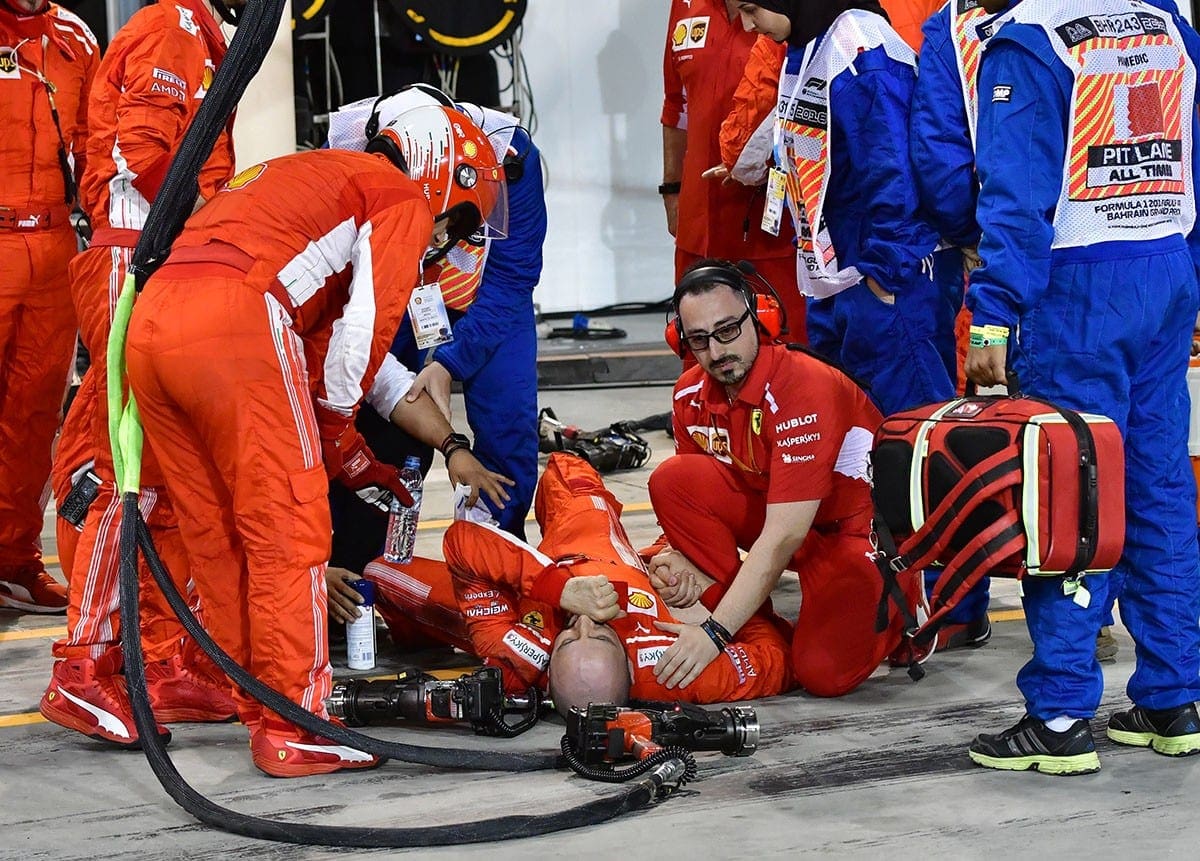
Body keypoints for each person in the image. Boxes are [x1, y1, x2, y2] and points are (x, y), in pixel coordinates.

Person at [115, 107, 506, 778]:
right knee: (289, 530)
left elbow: (327, 341)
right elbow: (361, 338)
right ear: (445, 178)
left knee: (217, 533)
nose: (444, 239)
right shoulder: (399, 197)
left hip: (151, 325)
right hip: (235, 321)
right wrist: (331, 432)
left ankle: (249, 693)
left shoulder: (306, 176)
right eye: (458, 220)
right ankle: (297, 720)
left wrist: (352, 453)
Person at [964, 0, 1200, 774]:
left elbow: (1015, 196)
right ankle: (1173, 697)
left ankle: (1062, 714)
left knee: (1068, 492)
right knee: (1160, 489)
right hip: (1166, 269)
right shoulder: (1163, 20)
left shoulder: (1031, 40)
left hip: (1076, 292)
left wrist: (991, 321)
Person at [41, 0, 244, 750]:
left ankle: (159, 660)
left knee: (165, 471)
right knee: (122, 464)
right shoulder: (171, 27)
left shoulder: (202, 33)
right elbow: (148, 149)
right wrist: (231, 223)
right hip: (138, 253)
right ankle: (84, 665)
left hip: (161, 256)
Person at [643, 261, 925, 697]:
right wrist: (677, 558)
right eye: (699, 340)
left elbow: (782, 535)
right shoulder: (688, 395)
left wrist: (714, 632)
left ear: (760, 317)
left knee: (822, 675)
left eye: (728, 330)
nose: (717, 352)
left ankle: (907, 593)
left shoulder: (804, 385)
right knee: (673, 481)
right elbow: (697, 497)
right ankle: (763, 634)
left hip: (852, 535)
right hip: (788, 522)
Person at [361, 453, 793, 712]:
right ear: (629, 664)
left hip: (529, 590)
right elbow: (777, 655)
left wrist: (559, 589)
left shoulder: (519, 663)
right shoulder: (671, 673)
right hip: (607, 551)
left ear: (546, 677)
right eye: (602, 639)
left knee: (380, 572)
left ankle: (409, 632)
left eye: (569, 640)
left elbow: (463, 542)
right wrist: (712, 601)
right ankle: (657, 554)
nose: (584, 622)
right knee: (567, 466)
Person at [325, 84, 545, 546]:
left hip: (489, 297)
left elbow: (513, 279)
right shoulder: (347, 159)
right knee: (379, 428)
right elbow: (350, 318)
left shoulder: (511, 156)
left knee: (507, 432)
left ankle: (494, 569)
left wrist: (450, 361)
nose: (446, 238)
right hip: (397, 286)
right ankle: (364, 569)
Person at [729, 1, 954, 417]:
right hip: (835, 282)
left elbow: (893, 168)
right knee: (857, 441)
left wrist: (884, 276)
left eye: (750, 9)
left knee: (913, 437)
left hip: (885, 280)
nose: (748, 25)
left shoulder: (860, 45)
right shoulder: (807, 45)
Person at [0, 0, 97, 613]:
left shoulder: (76, 39)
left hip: (57, 243)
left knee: (35, 418)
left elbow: (97, 148)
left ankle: (13, 562)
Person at [662, 0, 806, 341]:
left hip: (774, 234)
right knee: (699, 357)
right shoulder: (684, 7)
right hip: (699, 230)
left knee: (784, 360)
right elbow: (675, 105)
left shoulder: (783, 11)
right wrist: (671, 189)